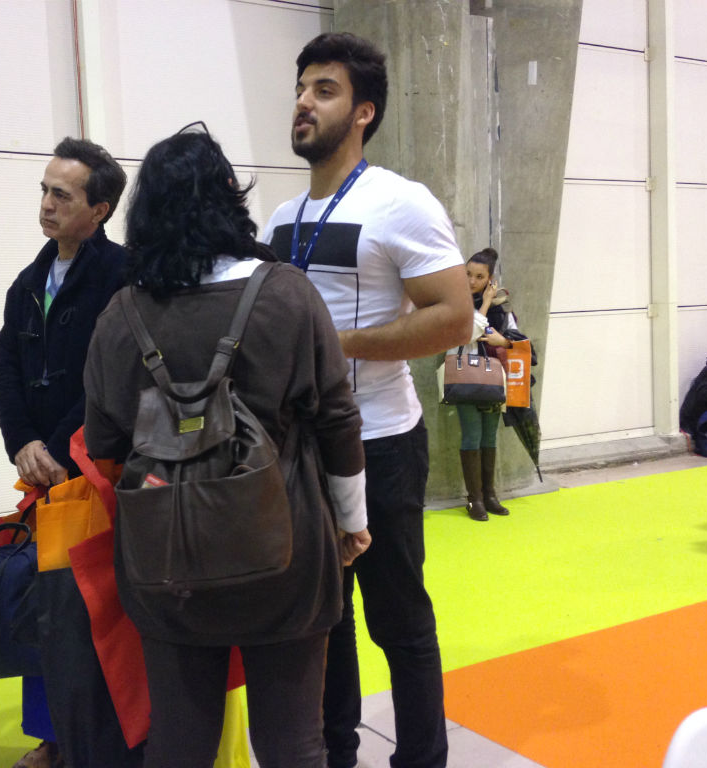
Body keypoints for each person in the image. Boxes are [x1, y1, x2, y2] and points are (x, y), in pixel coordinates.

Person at [83, 123, 370, 768]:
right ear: (229, 200)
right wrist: (351, 522)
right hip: (285, 552)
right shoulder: (287, 294)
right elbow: (337, 419)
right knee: (294, 743)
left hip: (165, 559)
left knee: (180, 742)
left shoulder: (120, 316)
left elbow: (104, 442)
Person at [263, 33, 473, 768]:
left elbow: (454, 318)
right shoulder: (279, 220)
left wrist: (335, 347)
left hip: (381, 443)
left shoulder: (399, 203)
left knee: (399, 622)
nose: (303, 102)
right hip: (302, 452)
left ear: (363, 112)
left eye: (324, 90)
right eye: (301, 88)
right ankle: (336, 755)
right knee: (325, 623)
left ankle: (422, 758)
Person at [0, 137, 137, 768]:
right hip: (42, 477)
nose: (47, 205)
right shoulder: (28, 283)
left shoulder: (123, 276)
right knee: (45, 608)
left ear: (99, 210)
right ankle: (53, 735)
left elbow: (113, 379)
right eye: (44, 191)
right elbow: (6, 369)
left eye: (62, 195)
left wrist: (53, 447)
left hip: (99, 471)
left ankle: (106, 735)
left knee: (97, 612)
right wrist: (22, 444)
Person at [452, 247, 518, 521]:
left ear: (490, 279)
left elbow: (516, 341)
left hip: (495, 379)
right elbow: (467, 334)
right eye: (467, 274)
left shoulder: (502, 309)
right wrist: (485, 304)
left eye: (479, 277)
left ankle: (489, 495)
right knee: (472, 435)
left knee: (489, 436)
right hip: (466, 377)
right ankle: (474, 499)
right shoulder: (456, 302)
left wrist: (503, 341)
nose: (471, 281)